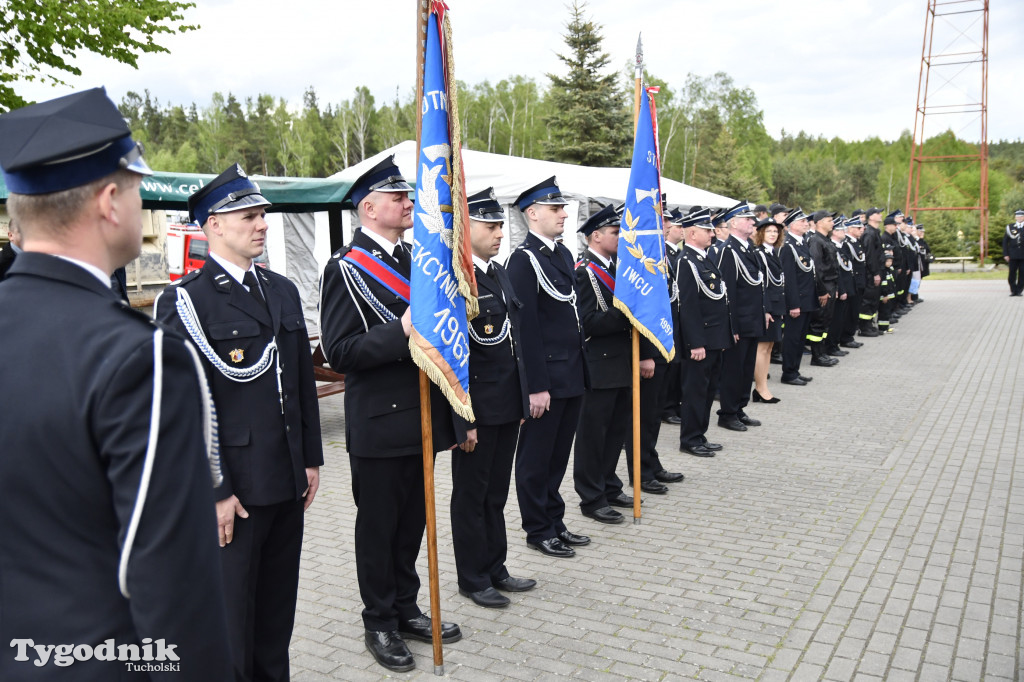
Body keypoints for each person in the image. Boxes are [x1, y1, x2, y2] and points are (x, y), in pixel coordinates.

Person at [0, 87, 232, 681]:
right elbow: (173, 586)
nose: (139, 201)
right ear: (109, 201)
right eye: (135, 187)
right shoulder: (140, 359)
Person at [154, 163, 324, 682]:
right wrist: (216, 490)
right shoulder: (185, 302)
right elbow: (179, 411)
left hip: (286, 480)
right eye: (248, 216)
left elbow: (300, 387)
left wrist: (312, 459)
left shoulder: (281, 290)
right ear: (212, 227)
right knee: (232, 621)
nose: (261, 224)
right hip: (236, 492)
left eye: (262, 215)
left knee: (276, 616)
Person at [318, 156, 463, 672]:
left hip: (421, 417)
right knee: (379, 528)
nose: (408, 204)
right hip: (380, 421)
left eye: (408, 197)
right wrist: (400, 329)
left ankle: (405, 607)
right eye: (398, 198)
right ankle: (378, 619)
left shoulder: (414, 261)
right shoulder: (345, 268)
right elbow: (340, 352)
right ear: (369, 207)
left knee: (411, 525)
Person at [451, 188, 536, 609]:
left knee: (496, 494)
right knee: (472, 495)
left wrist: (521, 402)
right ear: (468, 231)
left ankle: (495, 566)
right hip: (478, 409)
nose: (500, 232)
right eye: (490, 225)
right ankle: (472, 576)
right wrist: (462, 417)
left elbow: (514, 343)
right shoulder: (457, 278)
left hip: (506, 405)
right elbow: (452, 354)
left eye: (501, 224)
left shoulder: (498, 273)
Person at [506, 176, 591, 558]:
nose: (563, 213)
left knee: (558, 456)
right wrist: (534, 386)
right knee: (535, 459)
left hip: (571, 372)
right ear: (532, 213)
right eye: (555, 208)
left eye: (563, 207)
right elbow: (525, 330)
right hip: (548, 379)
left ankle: (555, 520)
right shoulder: (523, 261)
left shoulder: (558, 254)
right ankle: (538, 528)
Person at [573, 203, 637, 524]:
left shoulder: (617, 268)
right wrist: (624, 314)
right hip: (598, 364)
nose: (620, 237)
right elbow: (588, 323)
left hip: (621, 362)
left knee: (615, 432)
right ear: (595, 236)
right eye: (615, 232)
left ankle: (609, 484)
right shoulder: (585, 272)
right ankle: (591, 496)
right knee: (593, 435)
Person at [676, 208, 733, 457]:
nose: (712, 233)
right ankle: (690, 438)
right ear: (692, 232)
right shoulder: (686, 261)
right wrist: (695, 343)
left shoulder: (704, 258)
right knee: (696, 391)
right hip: (701, 341)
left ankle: (700, 433)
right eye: (707, 230)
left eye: (711, 229)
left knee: (708, 391)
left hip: (714, 338)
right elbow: (687, 306)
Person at [714, 201, 766, 432]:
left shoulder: (747, 248)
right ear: (734, 223)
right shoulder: (729, 251)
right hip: (740, 322)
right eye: (747, 219)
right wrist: (731, 326)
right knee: (734, 370)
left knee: (746, 370)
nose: (753, 222)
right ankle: (727, 413)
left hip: (752, 320)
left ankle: (739, 408)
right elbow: (729, 293)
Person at [779, 208, 817, 386]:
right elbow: (789, 278)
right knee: (792, 338)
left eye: (806, 221)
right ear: (792, 225)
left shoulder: (801, 243)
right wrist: (793, 304)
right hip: (797, 301)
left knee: (801, 338)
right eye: (802, 221)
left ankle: (795, 369)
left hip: (806, 299)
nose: (806, 223)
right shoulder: (788, 246)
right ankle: (788, 373)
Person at [752, 217, 785, 403]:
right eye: (769, 231)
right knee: (762, 348)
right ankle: (760, 388)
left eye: (775, 231)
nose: (773, 234)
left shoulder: (773, 253)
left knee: (770, 347)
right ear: (761, 233)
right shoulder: (759, 253)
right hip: (767, 306)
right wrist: (765, 309)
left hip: (777, 304)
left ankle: (763, 386)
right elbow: (761, 284)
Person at [660, 207, 686, 424]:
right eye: (665, 220)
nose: (668, 225)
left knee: (673, 367)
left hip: (673, 319)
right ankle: (666, 407)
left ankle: (669, 406)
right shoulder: (662, 253)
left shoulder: (673, 254)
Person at [805, 210, 839, 367]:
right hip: (824, 286)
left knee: (826, 321)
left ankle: (822, 353)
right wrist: (822, 291)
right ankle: (817, 356)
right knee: (818, 322)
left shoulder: (826, 240)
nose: (832, 223)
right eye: (829, 220)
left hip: (831, 285)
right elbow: (817, 269)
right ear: (818, 222)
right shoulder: (815, 241)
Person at [824, 219, 854, 357]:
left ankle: (835, 344)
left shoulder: (841, 247)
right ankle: (831, 346)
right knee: (835, 319)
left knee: (841, 318)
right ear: (834, 232)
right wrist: (841, 289)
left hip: (846, 287)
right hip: (839, 288)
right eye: (842, 230)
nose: (845, 232)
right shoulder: (832, 247)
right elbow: (836, 272)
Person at [840, 215, 867, 348]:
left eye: (861, 227)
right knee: (850, 311)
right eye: (858, 227)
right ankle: (846, 337)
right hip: (853, 282)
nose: (861, 229)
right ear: (850, 229)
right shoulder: (846, 244)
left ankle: (849, 335)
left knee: (855, 310)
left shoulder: (856, 242)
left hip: (859, 281)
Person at [858, 207, 885, 336]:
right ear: (870, 217)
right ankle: (864, 327)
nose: (880, 215)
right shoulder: (869, 233)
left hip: (876, 271)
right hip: (870, 273)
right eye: (877, 213)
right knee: (868, 299)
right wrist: (875, 273)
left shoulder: (875, 232)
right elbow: (870, 256)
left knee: (873, 299)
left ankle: (869, 324)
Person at [1003, 209, 1024, 296]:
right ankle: (1013, 290)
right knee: (1012, 273)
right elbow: (1005, 242)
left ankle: (1019, 290)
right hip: (1013, 255)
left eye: (1021, 216)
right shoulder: (1010, 227)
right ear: (1015, 217)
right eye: (1017, 216)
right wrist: (1006, 254)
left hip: (1023, 255)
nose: (1019, 218)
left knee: (1022, 273)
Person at [878, 247, 898, 333]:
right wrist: (885, 295)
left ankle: (886, 327)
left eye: (890, 261)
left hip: (889, 296)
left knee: (887, 312)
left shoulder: (889, 270)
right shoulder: (883, 271)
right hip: (884, 296)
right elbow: (883, 285)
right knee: (884, 313)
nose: (889, 263)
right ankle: (883, 328)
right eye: (887, 261)